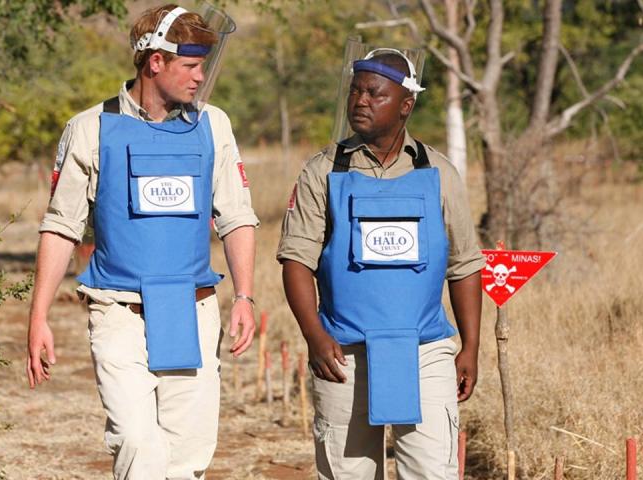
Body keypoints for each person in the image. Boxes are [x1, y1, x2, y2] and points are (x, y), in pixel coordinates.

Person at [25, 4, 258, 478]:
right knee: (137, 444)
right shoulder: (89, 128)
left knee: (185, 460)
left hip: (192, 309)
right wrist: (38, 317)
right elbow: (61, 225)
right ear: (155, 62)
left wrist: (246, 296)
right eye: (190, 66)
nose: (199, 78)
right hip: (118, 312)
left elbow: (236, 216)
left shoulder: (214, 124)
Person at [277, 46, 485, 479]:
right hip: (343, 353)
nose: (360, 102)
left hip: (426, 352)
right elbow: (296, 261)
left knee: (432, 471)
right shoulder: (323, 171)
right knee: (347, 472)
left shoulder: (440, 172)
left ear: (406, 105)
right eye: (355, 91)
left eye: (375, 93)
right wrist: (315, 337)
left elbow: (464, 265)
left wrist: (470, 346)